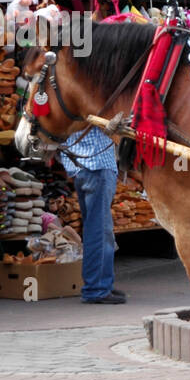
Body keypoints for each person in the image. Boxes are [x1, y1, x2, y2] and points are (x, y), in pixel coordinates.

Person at [60, 126, 125, 304]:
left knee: (95, 230)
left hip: (81, 167)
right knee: (100, 231)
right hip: (97, 165)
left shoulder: (74, 101)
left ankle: (101, 284)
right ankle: (96, 289)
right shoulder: (96, 99)